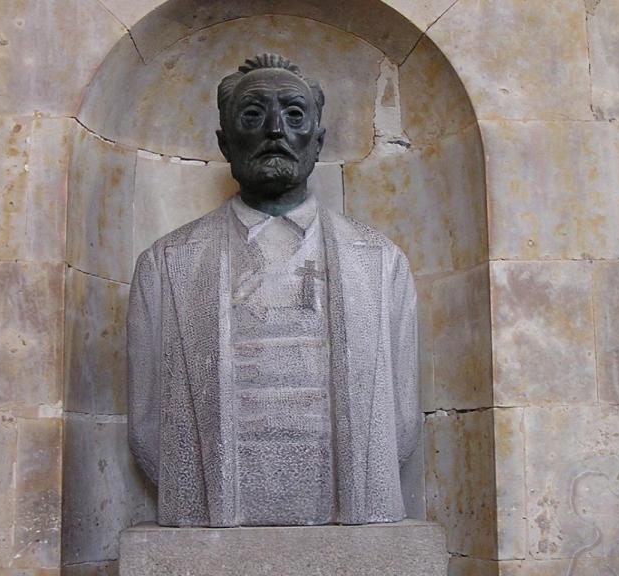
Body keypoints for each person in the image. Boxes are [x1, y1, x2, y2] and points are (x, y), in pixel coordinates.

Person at [127, 53, 419, 527]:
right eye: (252, 115)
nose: (275, 130)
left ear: (318, 141)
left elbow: (400, 421)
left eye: (295, 115)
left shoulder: (380, 264)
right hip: (207, 517)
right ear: (225, 142)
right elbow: (147, 424)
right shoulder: (166, 266)